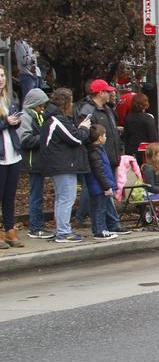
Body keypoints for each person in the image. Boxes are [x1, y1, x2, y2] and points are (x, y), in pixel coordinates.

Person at [74, 79, 125, 231]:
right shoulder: (88, 110)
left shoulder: (107, 109)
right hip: (99, 157)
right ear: (100, 93)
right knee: (99, 190)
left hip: (110, 155)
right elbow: (87, 134)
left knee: (104, 191)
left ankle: (109, 222)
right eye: (108, 91)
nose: (111, 94)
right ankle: (110, 223)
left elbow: (109, 130)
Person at [41, 88, 91, 244]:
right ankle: (63, 232)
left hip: (58, 163)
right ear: (66, 102)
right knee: (66, 198)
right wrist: (84, 128)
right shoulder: (57, 120)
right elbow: (76, 139)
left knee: (61, 198)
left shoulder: (53, 118)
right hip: (62, 164)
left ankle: (61, 230)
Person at [17, 88, 53, 239]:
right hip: (33, 161)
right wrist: (45, 137)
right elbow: (25, 140)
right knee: (36, 195)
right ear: (33, 104)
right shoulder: (26, 117)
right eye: (40, 106)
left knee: (38, 195)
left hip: (39, 161)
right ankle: (35, 227)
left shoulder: (36, 115)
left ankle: (37, 226)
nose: (42, 109)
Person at [0, 66, 24, 248]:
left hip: (13, 153)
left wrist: (16, 121)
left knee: (10, 195)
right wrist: (5, 122)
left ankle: (10, 229)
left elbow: (13, 126)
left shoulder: (9, 98)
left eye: (2, 75)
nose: (1, 79)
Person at [85, 125, 121, 240]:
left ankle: (100, 229)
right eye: (104, 135)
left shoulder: (97, 150)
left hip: (99, 185)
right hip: (99, 186)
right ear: (100, 138)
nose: (106, 138)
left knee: (99, 208)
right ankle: (100, 230)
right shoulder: (95, 152)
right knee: (100, 209)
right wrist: (107, 186)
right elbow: (99, 171)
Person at [123, 92, 157, 164]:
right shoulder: (148, 118)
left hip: (132, 151)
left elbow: (126, 136)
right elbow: (153, 137)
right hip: (146, 151)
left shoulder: (128, 118)